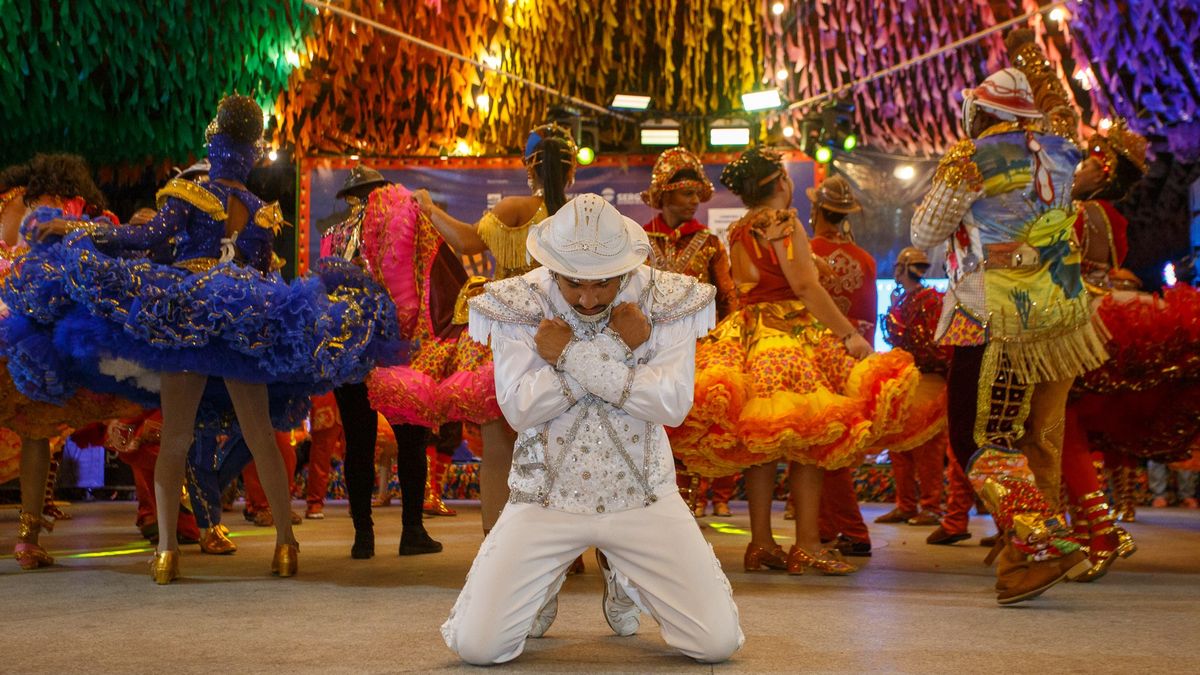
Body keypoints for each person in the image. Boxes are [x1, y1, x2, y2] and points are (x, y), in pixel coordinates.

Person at [8, 96, 402, 583]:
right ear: (253, 149)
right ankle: (285, 544)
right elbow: (261, 273)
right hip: (244, 319)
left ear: (215, 142)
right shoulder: (262, 210)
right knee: (260, 437)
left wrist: (75, 226)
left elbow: (143, 240)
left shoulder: (188, 193)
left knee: (175, 436)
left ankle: (168, 553)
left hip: (187, 318)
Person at [442, 194, 742, 666]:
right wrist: (620, 350)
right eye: (572, 284)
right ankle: (543, 580)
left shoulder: (668, 297)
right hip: (544, 498)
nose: (586, 298)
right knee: (479, 649)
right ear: (551, 268)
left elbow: (670, 404)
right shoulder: (518, 301)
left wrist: (569, 354)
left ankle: (625, 574)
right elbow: (522, 409)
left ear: (625, 269)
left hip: (644, 496)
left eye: (602, 285)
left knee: (715, 645)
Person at [911, 67, 1107, 603]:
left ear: (982, 112)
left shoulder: (971, 157)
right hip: (1056, 312)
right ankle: (1028, 554)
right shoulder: (1063, 153)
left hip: (987, 310)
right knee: (1032, 432)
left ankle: (1044, 541)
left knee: (975, 438)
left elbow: (924, 233)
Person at [674, 147, 918, 577]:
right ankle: (805, 544)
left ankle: (762, 543)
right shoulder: (784, 224)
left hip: (750, 336)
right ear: (782, 183)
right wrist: (849, 335)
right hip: (788, 338)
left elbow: (760, 278)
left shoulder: (741, 228)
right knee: (810, 438)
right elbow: (804, 287)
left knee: (762, 443)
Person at [410, 123, 578, 535]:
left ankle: (496, 544)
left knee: (499, 443)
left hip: (511, 341)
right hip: (567, 339)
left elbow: (467, 243)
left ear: (529, 168)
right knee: (565, 444)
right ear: (571, 171)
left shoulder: (514, 209)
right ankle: (565, 545)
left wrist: (430, 210)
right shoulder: (580, 215)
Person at [1, 154, 141, 570]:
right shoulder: (75, 208)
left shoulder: (6, 200)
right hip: (35, 336)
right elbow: (108, 245)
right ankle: (27, 540)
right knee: (35, 432)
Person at [320, 166, 441, 559]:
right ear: (381, 190)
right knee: (410, 439)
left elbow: (326, 290)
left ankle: (363, 537)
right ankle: (411, 531)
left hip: (350, 342)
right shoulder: (402, 218)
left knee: (358, 441)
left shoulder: (331, 237)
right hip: (398, 340)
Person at [635, 146, 741, 518]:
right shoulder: (637, 241)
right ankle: (659, 504)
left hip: (700, 350)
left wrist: (725, 342)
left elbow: (728, 298)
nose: (694, 201)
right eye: (686, 193)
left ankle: (711, 498)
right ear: (664, 194)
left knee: (703, 420)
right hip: (646, 348)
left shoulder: (711, 243)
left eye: (697, 194)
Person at [807, 175, 879, 557]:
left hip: (814, 361)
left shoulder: (804, 251)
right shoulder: (866, 260)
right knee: (832, 447)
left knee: (823, 448)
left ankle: (851, 529)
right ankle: (824, 527)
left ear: (816, 210)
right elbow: (869, 321)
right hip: (852, 365)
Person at [876, 247, 969, 538]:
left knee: (928, 446)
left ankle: (931, 506)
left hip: (929, 378)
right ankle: (906, 504)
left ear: (903, 268)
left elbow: (939, 346)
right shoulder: (901, 299)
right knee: (898, 443)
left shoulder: (931, 300)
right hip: (907, 378)